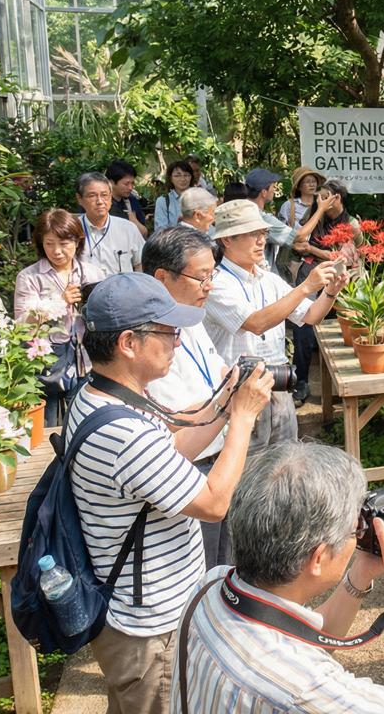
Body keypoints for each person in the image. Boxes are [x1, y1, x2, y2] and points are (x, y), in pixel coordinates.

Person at [67, 272, 273, 714]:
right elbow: (214, 504)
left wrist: (222, 401)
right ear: (128, 343)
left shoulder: (104, 396)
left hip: (140, 613)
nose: (178, 341)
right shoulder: (124, 433)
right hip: (149, 632)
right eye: (167, 331)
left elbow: (176, 443)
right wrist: (242, 417)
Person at [170, 443, 384, 714]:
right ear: (317, 558)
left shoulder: (212, 586)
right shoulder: (304, 690)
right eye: (353, 529)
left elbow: (305, 636)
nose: (357, 535)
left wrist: (361, 571)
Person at [204, 199, 346, 453]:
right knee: (244, 472)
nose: (261, 241)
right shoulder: (216, 283)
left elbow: (311, 316)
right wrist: (306, 287)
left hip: (278, 388)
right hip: (238, 393)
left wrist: (330, 292)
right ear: (227, 239)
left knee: (283, 466)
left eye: (262, 233)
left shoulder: (269, 279)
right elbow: (255, 323)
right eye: (252, 234)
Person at [144, 226, 239, 568]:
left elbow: (219, 373)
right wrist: (234, 401)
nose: (209, 286)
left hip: (217, 462)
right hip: (186, 472)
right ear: (162, 277)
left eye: (212, 275)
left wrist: (231, 386)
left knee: (221, 570)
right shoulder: (147, 336)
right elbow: (174, 420)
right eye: (201, 278)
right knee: (196, 580)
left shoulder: (191, 317)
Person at [13, 209, 106, 424]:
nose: (57, 251)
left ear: (77, 241)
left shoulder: (93, 273)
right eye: (49, 243)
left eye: (64, 243)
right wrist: (59, 302)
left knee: (85, 419)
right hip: (47, 363)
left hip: (88, 359)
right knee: (47, 421)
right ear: (40, 243)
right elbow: (21, 323)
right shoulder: (29, 277)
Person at [289, 181, 360, 405]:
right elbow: (298, 239)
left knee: (343, 328)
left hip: (342, 279)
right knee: (302, 326)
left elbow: (342, 258)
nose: (319, 199)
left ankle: (344, 383)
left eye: (324, 197)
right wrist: (319, 210)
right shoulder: (314, 214)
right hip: (313, 276)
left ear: (337, 198)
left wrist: (312, 249)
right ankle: (301, 380)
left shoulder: (352, 223)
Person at [244, 167, 325, 275]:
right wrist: (321, 209)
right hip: (260, 274)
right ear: (264, 192)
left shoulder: (242, 211)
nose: (274, 190)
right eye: (273, 186)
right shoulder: (263, 218)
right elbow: (298, 236)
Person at [76, 171, 145, 276]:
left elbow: (141, 263)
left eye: (104, 195)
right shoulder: (72, 229)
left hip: (123, 290)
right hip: (86, 291)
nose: (99, 201)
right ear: (79, 199)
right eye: (92, 196)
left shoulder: (128, 229)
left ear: (111, 197)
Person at [106, 159, 149, 239]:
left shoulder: (132, 201)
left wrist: (133, 221)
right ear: (111, 182)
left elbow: (144, 233)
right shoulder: (102, 204)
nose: (130, 188)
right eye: (126, 184)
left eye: (132, 183)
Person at [154, 160, 197, 233]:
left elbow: (208, 226)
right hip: (173, 243)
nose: (183, 179)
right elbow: (160, 231)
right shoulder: (163, 201)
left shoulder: (200, 198)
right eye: (177, 176)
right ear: (171, 178)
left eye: (186, 175)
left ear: (191, 177)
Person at [278, 166, 325, 232]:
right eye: (307, 182)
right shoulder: (289, 205)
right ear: (298, 186)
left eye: (314, 181)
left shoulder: (322, 203)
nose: (312, 185)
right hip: (295, 241)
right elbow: (281, 231)